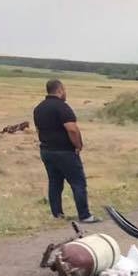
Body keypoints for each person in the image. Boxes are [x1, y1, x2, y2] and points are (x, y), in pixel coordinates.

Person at [33, 79, 100, 223]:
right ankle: (85, 215)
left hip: (46, 150)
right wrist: (78, 145)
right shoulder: (62, 107)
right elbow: (72, 129)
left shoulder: (39, 108)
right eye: (64, 90)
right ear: (60, 90)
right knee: (78, 183)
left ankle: (57, 214)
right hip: (64, 152)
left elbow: (38, 129)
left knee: (55, 183)